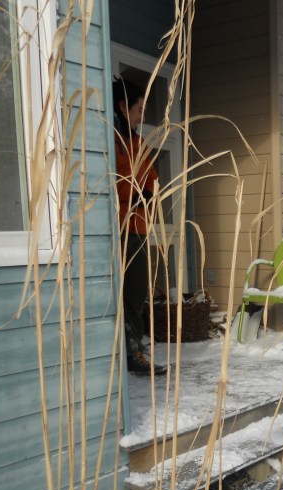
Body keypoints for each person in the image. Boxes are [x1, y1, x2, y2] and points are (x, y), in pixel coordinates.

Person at [113, 76, 166, 376]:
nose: (141, 117)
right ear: (122, 107)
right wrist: (132, 194)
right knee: (119, 295)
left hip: (137, 229)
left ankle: (134, 349)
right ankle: (127, 352)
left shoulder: (137, 145)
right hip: (117, 229)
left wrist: (141, 195)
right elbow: (116, 186)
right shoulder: (110, 141)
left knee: (134, 294)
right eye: (138, 110)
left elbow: (152, 183)